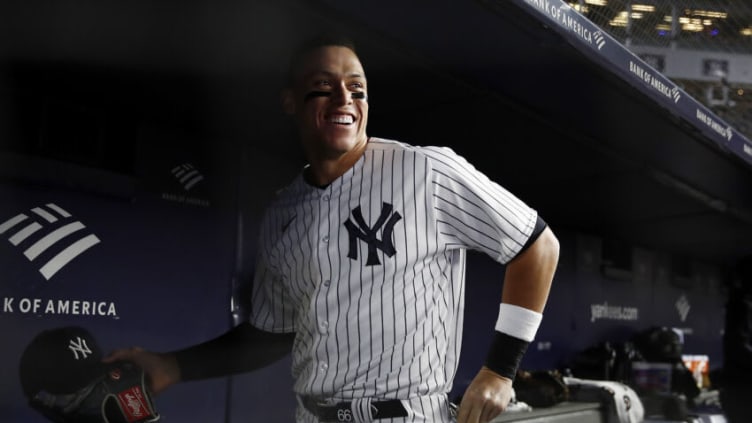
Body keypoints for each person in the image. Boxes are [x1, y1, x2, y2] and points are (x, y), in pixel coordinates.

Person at [105, 34, 560, 423]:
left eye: (357, 89)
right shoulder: (283, 212)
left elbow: (537, 246)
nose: (345, 100)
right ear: (290, 100)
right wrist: (172, 365)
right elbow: (270, 333)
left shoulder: (424, 169)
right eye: (324, 87)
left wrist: (500, 370)